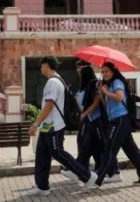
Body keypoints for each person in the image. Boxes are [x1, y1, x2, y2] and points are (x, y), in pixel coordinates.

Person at [27, 56, 97, 196]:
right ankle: (42, 186)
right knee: (42, 155)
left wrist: (35, 124)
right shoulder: (56, 80)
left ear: (46, 65)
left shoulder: (53, 82)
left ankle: (87, 176)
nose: (41, 69)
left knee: (58, 153)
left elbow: (49, 105)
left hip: (54, 125)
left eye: (41, 66)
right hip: (48, 126)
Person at [93, 61, 140, 187]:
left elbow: (119, 97)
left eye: (107, 71)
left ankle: (97, 178)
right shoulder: (108, 85)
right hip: (115, 119)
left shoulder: (117, 82)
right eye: (102, 71)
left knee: (110, 148)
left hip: (120, 120)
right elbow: (105, 104)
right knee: (131, 150)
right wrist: (102, 92)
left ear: (113, 72)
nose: (104, 74)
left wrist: (106, 92)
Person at [66, 61, 121, 183]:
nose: (79, 71)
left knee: (102, 146)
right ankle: (82, 171)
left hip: (98, 120)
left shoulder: (95, 84)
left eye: (81, 68)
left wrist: (84, 114)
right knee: (88, 146)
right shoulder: (88, 85)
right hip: (91, 120)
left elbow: (96, 103)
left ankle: (113, 171)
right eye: (103, 71)